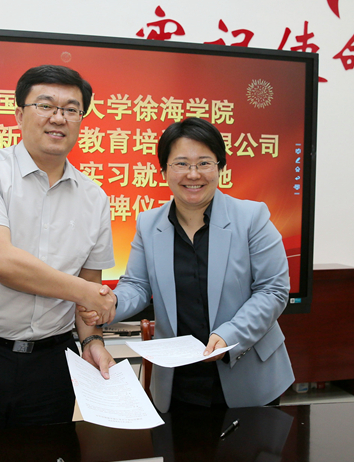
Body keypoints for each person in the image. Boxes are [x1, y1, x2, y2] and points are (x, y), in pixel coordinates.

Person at [0, 65, 117, 437]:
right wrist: (88, 293)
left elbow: (88, 294)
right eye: (45, 105)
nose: (58, 118)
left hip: (51, 366)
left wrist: (92, 339)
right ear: (19, 114)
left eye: (71, 109)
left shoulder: (94, 197)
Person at [81, 117, 293, 413]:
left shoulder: (252, 218)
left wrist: (230, 335)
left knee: (252, 445)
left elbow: (273, 290)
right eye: (181, 164)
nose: (193, 174)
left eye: (204, 163)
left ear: (220, 167)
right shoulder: (149, 223)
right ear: (164, 171)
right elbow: (138, 286)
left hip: (249, 373)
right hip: (178, 380)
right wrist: (113, 303)